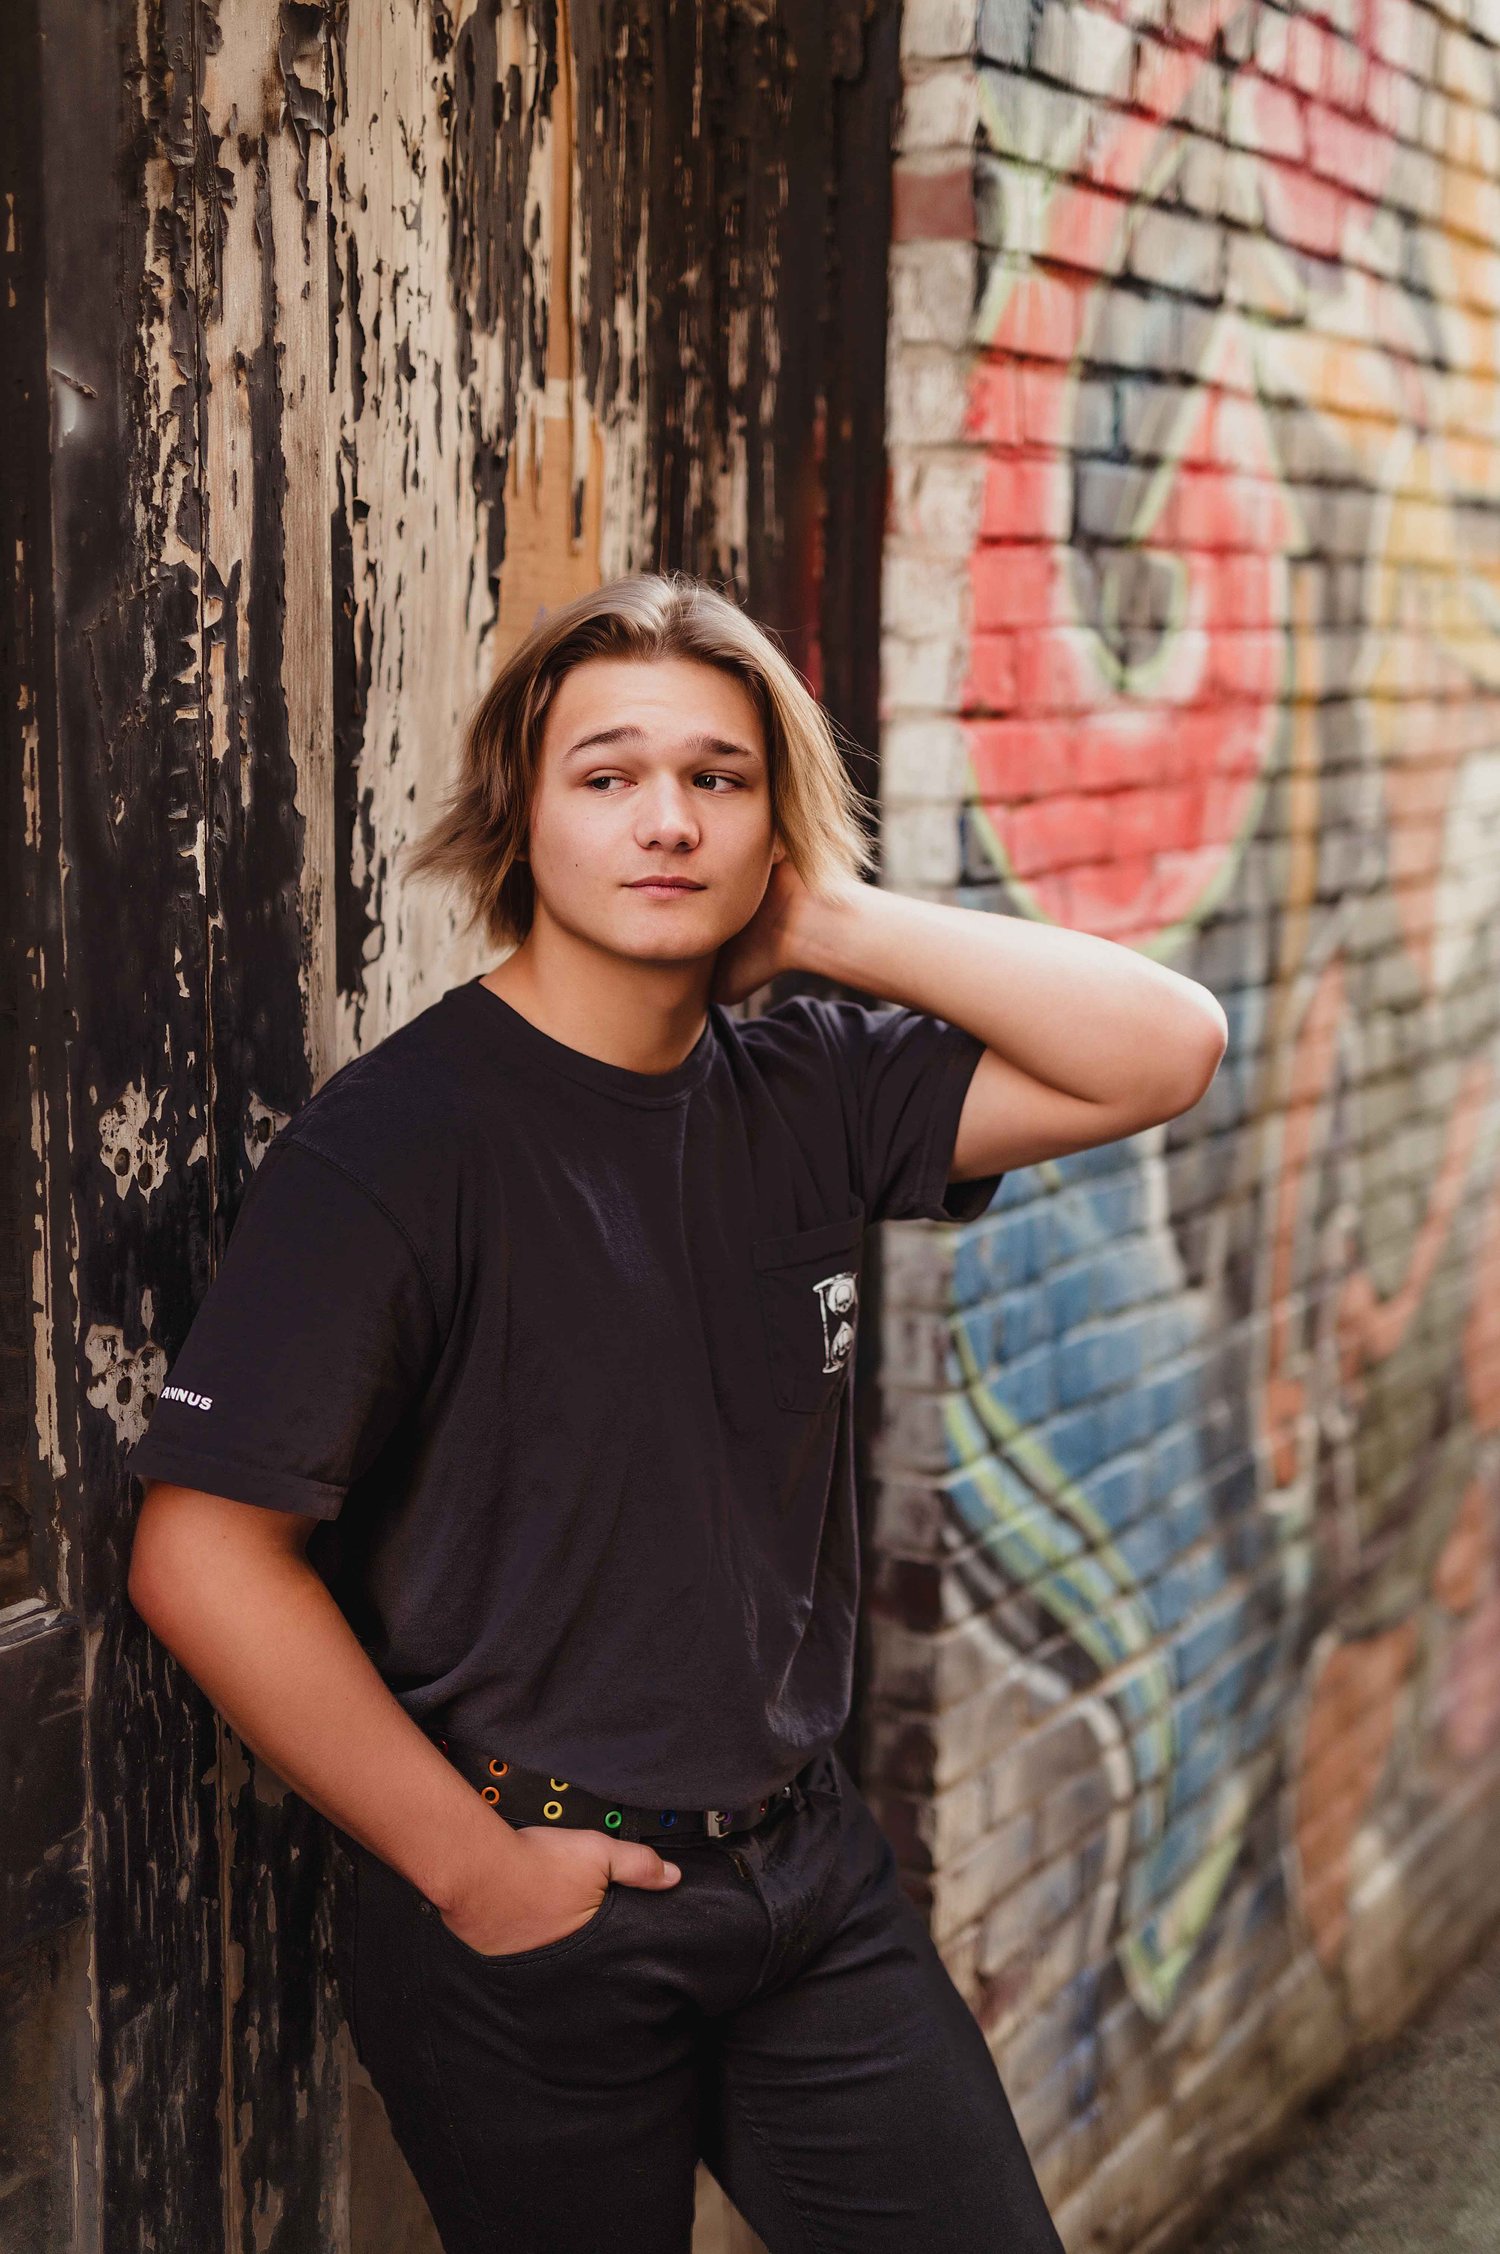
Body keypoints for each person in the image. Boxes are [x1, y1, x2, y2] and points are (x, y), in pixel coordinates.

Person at [125, 572, 1227, 2253]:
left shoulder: (817, 1086)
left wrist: (832, 922)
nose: (668, 820)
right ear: (523, 815)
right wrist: (479, 1868)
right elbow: (201, 1553)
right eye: (609, 773)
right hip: (532, 1905)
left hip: (804, 1880)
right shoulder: (400, 1145)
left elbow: (1163, 1047)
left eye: (720, 777)